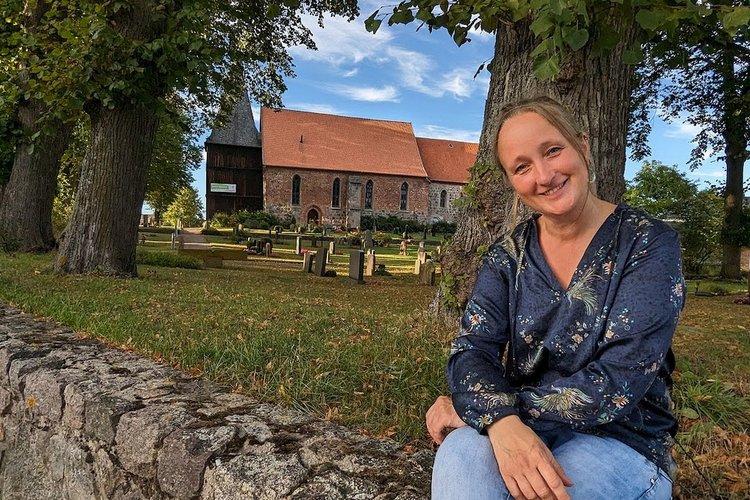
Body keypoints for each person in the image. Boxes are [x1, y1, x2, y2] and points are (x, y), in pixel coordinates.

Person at [428, 96, 684, 500]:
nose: (544, 176)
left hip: (619, 440)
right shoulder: (506, 256)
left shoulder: (646, 244)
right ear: (512, 181)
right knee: (460, 454)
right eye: (522, 167)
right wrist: (500, 422)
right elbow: (472, 350)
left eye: (552, 150)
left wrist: (488, 408)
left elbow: (617, 382)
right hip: (518, 426)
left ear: (581, 145)